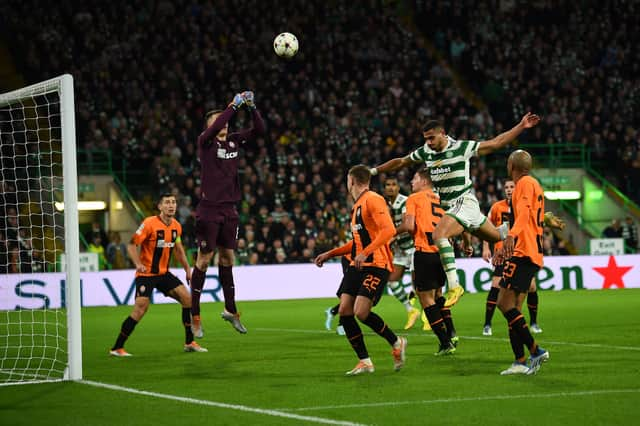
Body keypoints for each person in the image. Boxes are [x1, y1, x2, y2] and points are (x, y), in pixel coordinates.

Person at [370, 113, 541, 307]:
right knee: (497, 236)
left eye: (431, 137)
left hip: (464, 202)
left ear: (442, 133)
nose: (429, 142)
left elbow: (495, 143)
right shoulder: (426, 151)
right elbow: (401, 161)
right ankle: (540, 218)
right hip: (455, 210)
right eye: (425, 138)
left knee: (439, 234)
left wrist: (520, 126)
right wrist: (373, 172)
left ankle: (455, 285)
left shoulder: (461, 148)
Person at [314, 165, 407, 375]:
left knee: (361, 312)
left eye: (347, 181)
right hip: (359, 265)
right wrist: (331, 253)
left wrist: (366, 252)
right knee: (345, 310)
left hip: (376, 264)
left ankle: (396, 341)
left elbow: (389, 230)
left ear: (352, 181)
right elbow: (356, 245)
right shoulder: (357, 206)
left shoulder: (373, 199)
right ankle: (365, 361)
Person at [189, 91, 266, 337]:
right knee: (203, 260)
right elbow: (218, 124)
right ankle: (195, 316)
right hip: (209, 209)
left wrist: (252, 107)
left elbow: (261, 131)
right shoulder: (205, 141)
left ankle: (231, 310)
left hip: (230, 209)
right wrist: (232, 105)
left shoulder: (233, 141)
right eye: (218, 120)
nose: (224, 123)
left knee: (227, 259)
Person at [109, 193, 206, 356]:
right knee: (140, 309)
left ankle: (190, 342)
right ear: (160, 206)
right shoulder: (149, 224)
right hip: (146, 274)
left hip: (163, 274)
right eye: (167, 202)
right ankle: (117, 347)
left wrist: (187, 269)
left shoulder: (176, 226)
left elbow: (179, 249)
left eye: (174, 202)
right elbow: (132, 245)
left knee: (187, 299)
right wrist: (138, 264)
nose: (171, 205)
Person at [482, 180, 566, 336]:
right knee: (496, 287)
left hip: (521, 253)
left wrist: (545, 220)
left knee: (530, 288)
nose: (508, 190)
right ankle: (488, 324)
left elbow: (530, 220)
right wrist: (487, 247)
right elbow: (489, 227)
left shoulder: (522, 204)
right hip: (504, 252)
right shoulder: (497, 207)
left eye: (511, 187)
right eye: (506, 187)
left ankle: (532, 323)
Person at [495, 150, 549, 375]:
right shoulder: (534, 184)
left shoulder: (525, 184)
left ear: (511, 165)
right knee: (513, 308)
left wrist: (511, 236)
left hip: (524, 252)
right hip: (529, 251)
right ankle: (519, 361)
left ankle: (535, 350)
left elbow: (526, 213)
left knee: (503, 303)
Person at [395, 168, 458, 355]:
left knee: (426, 299)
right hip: (443, 252)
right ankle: (452, 333)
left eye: (414, 178)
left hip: (425, 251)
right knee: (438, 295)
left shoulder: (413, 199)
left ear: (423, 181)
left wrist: (391, 233)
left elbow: (408, 225)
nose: (411, 182)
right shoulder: (442, 199)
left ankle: (445, 342)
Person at [382, 176, 422, 329]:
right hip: (399, 249)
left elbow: (407, 224)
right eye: (387, 185)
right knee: (391, 281)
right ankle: (411, 310)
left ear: (398, 188)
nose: (391, 187)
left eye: (394, 184)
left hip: (413, 246)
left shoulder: (405, 201)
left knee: (418, 286)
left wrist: (391, 235)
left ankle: (430, 316)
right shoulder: (385, 205)